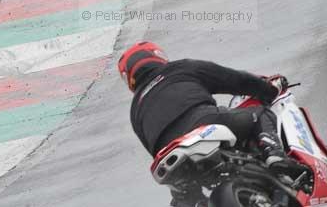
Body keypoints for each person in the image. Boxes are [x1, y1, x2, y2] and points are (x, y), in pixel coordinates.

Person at [119, 41, 302, 206]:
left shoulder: (135, 110)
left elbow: (152, 148)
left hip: (170, 156)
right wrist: (269, 90)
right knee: (259, 114)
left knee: (185, 199)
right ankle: (276, 158)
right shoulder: (179, 69)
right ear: (157, 55)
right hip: (202, 123)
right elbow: (235, 80)